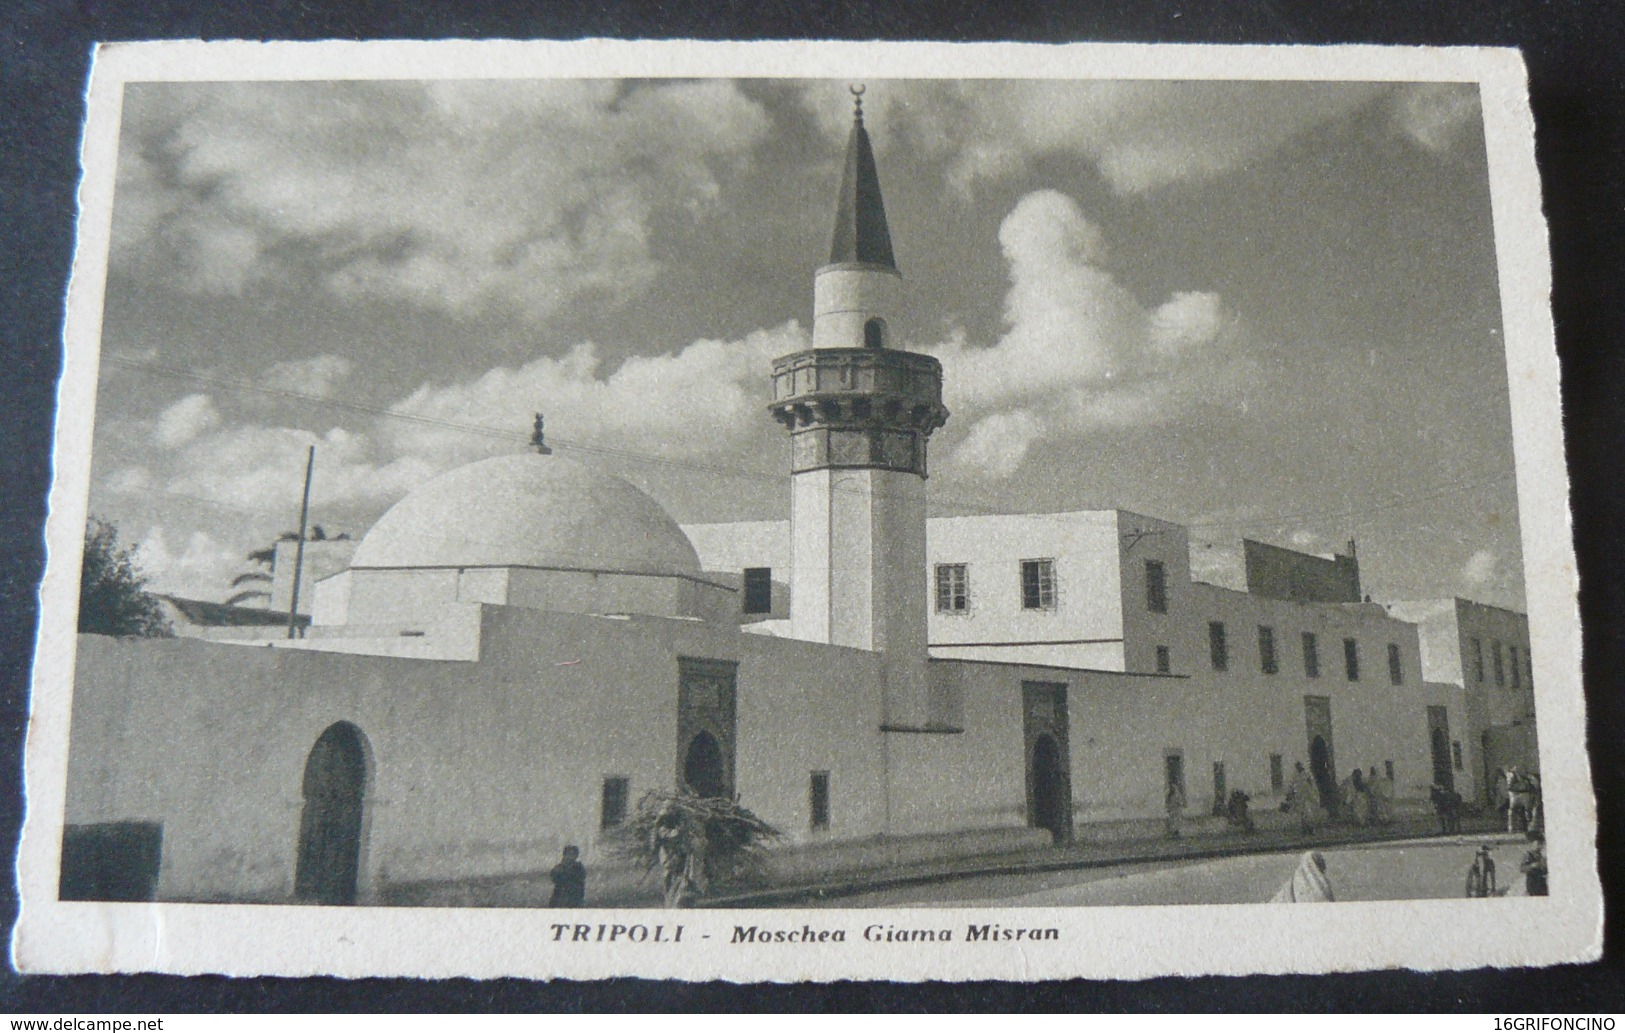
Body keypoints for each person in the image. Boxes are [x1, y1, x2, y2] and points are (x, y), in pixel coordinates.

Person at [1284, 762, 1322, 834]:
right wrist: (1290, 794)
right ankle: (1305, 829)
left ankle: (1311, 829)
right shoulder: (1295, 776)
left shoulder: (1307, 775)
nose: (1299, 768)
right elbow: (1291, 786)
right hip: (1300, 797)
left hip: (1307, 797)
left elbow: (1312, 784)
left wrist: (1314, 794)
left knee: (1308, 813)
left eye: (1300, 766)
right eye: (1297, 767)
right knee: (1302, 813)